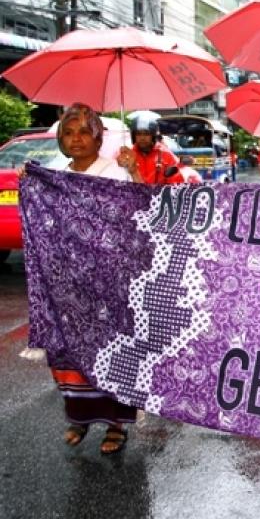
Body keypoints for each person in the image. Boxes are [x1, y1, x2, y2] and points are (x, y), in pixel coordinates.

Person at [21, 103, 136, 454]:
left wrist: (133, 175)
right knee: (69, 351)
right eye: (68, 132)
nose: (76, 139)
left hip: (107, 284)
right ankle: (79, 417)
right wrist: (30, 185)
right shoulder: (54, 174)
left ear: (98, 137)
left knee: (110, 352)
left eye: (84, 132)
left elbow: (134, 216)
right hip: (67, 285)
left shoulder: (114, 174)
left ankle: (116, 426)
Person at [118, 112, 184, 184]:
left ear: (153, 136)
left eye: (146, 134)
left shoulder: (166, 156)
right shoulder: (128, 156)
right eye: (138, 134)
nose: (142, 138)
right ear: (133, 136)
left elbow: (177, 185)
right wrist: (120, 163)